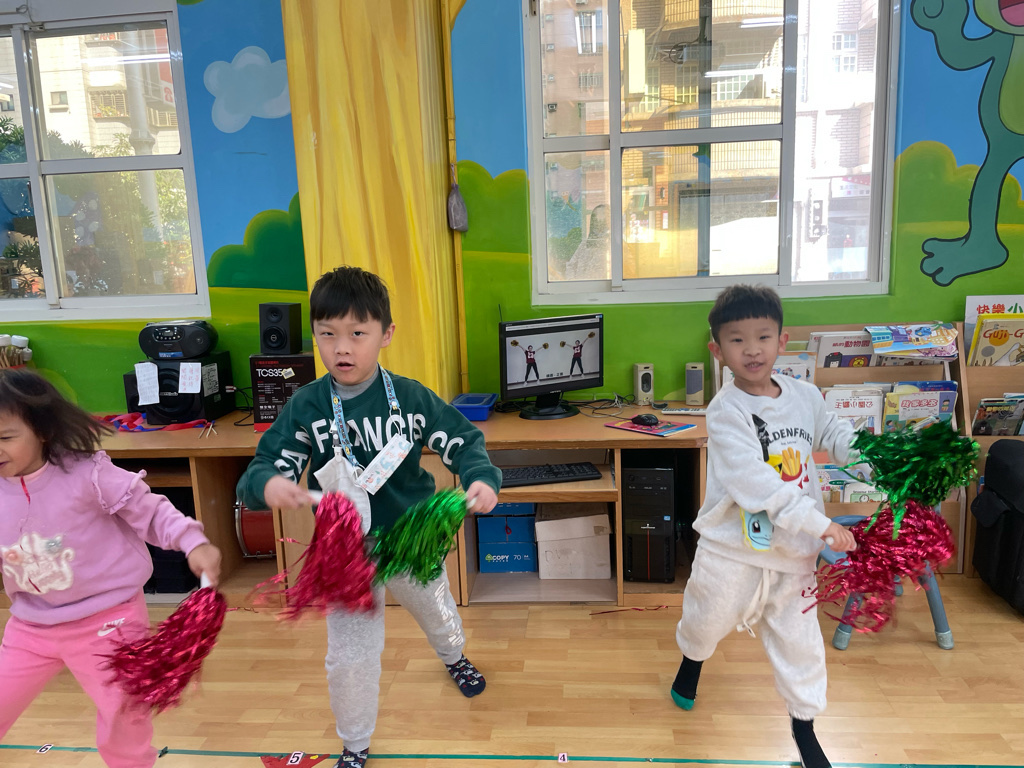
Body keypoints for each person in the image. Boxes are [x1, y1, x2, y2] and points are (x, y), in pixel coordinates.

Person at [236, 266, 501, 768]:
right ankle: (355, 742)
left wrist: (481, 478)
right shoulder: (307, 406)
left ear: (386, 334)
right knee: (349, 655)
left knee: (436, 609)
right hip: (346, 555)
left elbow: (464, 441)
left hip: (411, 540)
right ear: (315, 335)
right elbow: (264, 467)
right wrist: (267, 484)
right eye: (327, 334)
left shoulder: (412, 397)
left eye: (358, 334)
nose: (342, 348)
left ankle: (454, 656)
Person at [670, 285, 858, 768]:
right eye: (737, 340)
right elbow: (756, 484)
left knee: (802, 644)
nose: (752, 350)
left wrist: (878, 459)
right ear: (718, 350)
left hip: (794, 552)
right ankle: (691, 664)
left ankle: (804, 726)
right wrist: (821, 524)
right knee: (705, 621)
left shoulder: (806, 396)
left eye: (763, 337)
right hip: (732, 551)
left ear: (782, 341)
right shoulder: (725, 411)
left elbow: (836, 435)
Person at [0, 368, 222, 768]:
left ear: (43, 431)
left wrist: (192, 541)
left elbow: (151, 511)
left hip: (108, 620)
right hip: (30, 626)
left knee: (125, 716)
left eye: (4, 437)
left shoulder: (88, 474)